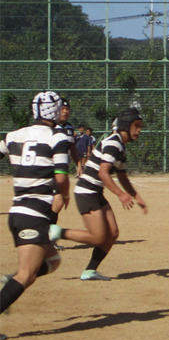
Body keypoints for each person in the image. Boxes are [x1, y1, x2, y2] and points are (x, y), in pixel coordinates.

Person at [49, 108, 149, 281]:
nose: (139, 130)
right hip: (87, 192)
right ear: (126, 126)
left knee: (113, 233)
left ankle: (89, 271)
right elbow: (103, 173)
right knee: (98, 237)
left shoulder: (120, 146)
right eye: (136, 126)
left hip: (94, 192)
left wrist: (135, 195)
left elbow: (122, 176)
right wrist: (120, 195)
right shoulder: (114, 143)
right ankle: (55, 231)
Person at [0, 92, 70, 316]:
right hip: (34, 213)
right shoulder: (57, 138)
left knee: (53, 259)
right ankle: (9, 287)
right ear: (56, 110)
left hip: (18, 212)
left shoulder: (13, 135)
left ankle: (7, 285)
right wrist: (65, 194)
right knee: (26, 275)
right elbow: (60, 177)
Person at [50, 98, 79, 221]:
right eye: (63, 109)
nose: (65, 111)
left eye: (67, 109)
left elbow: (72, 149)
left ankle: (48, 230)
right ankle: (46, 230)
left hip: (60, 169)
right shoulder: (49, 127)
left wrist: (79, 164)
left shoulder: (69, 128)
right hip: (49, 169)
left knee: (58, 200)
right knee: (58, 200)